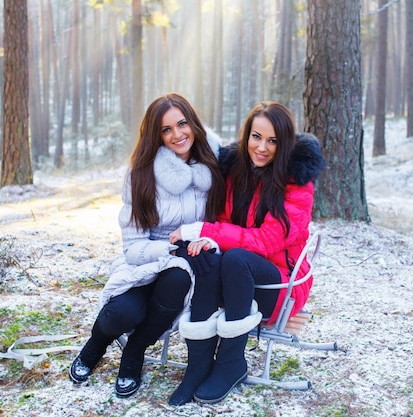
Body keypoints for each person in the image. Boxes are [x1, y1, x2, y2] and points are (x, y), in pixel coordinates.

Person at [168, 101, 325, 405]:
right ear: (246, 136)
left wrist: (207, 231)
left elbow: (267, 241)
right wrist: (209, 242)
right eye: (256, 137)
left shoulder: (297, 185)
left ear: (286, 144)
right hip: (237, 278)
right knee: (206, 257)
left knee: (236, 258)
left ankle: (231, 363)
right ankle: (198, 365)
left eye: (272, 141)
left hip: (280, 285)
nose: (262, 148)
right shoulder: (237, 171)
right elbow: (226, 221)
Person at [69, 93, 225, 398]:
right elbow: (133, 247)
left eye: (182, 124)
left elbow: (223, 220)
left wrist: (206, 242)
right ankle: (96, 344)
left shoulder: (214, 167)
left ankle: (134, 352)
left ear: (193, 123)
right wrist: (170, 249)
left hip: (185, 269)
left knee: (178, 277)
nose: (178, 135)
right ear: (156, 135)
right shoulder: (140, 175)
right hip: (144, 261)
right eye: (167, 129)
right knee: (121, 314)